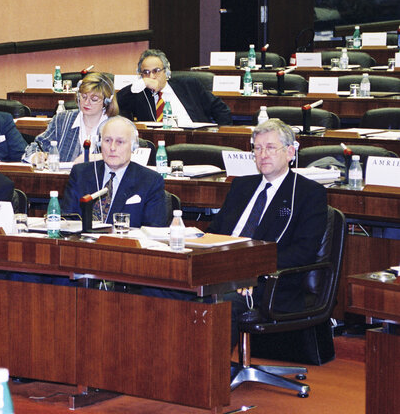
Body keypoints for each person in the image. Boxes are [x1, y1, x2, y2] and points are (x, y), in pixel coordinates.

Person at [209, 118, 328, 345]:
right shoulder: (241, 186)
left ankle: (212, 375)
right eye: (258, 148)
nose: (263, 154)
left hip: (270, 282)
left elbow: (303, 251)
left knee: (219, 302)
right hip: (222, 272)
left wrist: (251, 271)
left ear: (290, 152)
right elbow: (215, 233)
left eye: (271, 148)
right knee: (172, 294)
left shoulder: (308, 193)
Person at [61, 116, 166, 227]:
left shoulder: (150, 181)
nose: (112, 147)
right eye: (107, 140)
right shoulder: (80, 174)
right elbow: (67, 220)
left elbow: (154, 229)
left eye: (120, 142)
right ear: (99, 144)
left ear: (133, 147)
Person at [117, 49, 232, 126]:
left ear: (166, 71)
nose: (151, 76)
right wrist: (140, 84)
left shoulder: (189, 85)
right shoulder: (139, 95)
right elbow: (115, 102)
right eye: (146, 72)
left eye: (156, 71)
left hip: (195, 140)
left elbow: (220, 109)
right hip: (159, 144)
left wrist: (223, 136)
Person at [22, 72, 118, 165]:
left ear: (107, 101)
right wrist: (35, 156)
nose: (86, 102)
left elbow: (129, 156)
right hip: (63, 180)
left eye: (94, 99)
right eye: (83, 97)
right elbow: (37, 145)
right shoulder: (63, 120)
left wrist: (97, 157)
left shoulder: (118, 126)